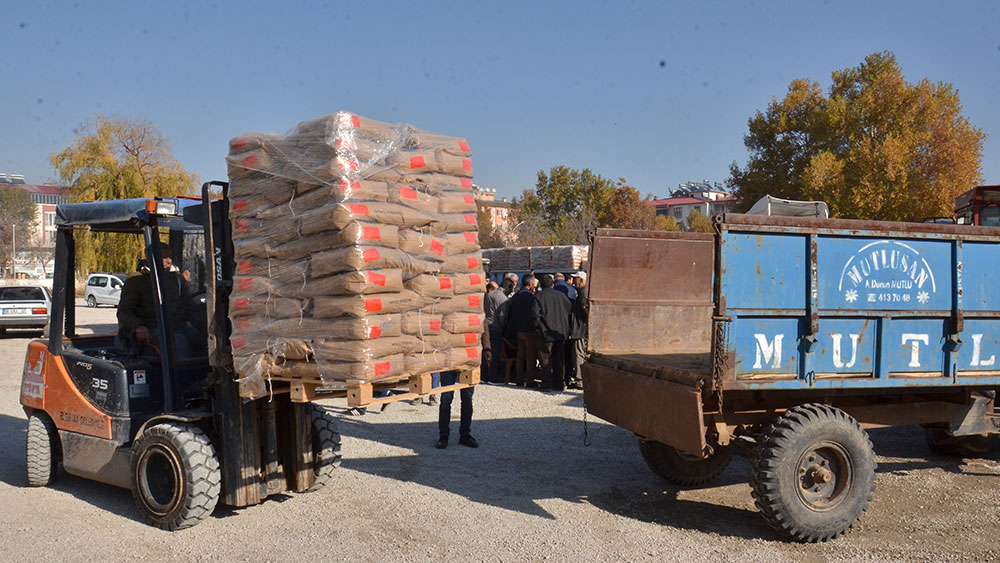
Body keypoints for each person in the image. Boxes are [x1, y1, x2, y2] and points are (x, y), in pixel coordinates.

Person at [117, 242, 195, 359]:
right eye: (164, 257)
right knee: (178, 343)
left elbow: (190, 305)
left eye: (170, 256)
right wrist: (139, 326)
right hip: (151, 329)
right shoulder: (136, 280)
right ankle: (182, 377)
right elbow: (124, 312)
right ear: (151, 258)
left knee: (205, 338)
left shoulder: (178, 280)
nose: (168, 260)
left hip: (178, 327)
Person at [532, 274, 572, 391]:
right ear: (553, 284)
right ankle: (559, 384)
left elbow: (535, 315)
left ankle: (546, 385)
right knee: (559, 360)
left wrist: (535, 328)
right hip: (560, 333)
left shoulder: (538, 297)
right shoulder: (562, 296)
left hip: (545, 333)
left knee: (545, 359)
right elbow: (569, 310)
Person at [507, 274, 538, 387]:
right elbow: (533, 313)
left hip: (518, 328)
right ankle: (530, 380)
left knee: (520, 354)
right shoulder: (530, 296)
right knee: (530, 356)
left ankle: (519, 378)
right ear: (530, 284)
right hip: (528, 329)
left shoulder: (516, 295)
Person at [436, 366, 478, 448]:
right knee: (446, 399)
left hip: (468, 364)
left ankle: (465, 434)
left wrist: (486, 352)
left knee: (467, 400)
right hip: (448, 364)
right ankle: (443, 435)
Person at [484, 278, 512, 384]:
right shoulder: (503, 299)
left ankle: (483, 376)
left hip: (485, 325)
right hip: (496, 327)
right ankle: (493, 377)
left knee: (485, 351)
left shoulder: (488, 295)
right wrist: (504, 326)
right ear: (507, 287)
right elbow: (502, 316)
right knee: (495, 353)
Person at [565, 271, 589, 389]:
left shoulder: (583, 293)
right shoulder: (582, 292)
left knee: (579, 355)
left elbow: (586, 312)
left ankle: (580, 380)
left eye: (576, 279)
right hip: (581, 329)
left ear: (582, 280)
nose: (574, 281)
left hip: (580, 330)